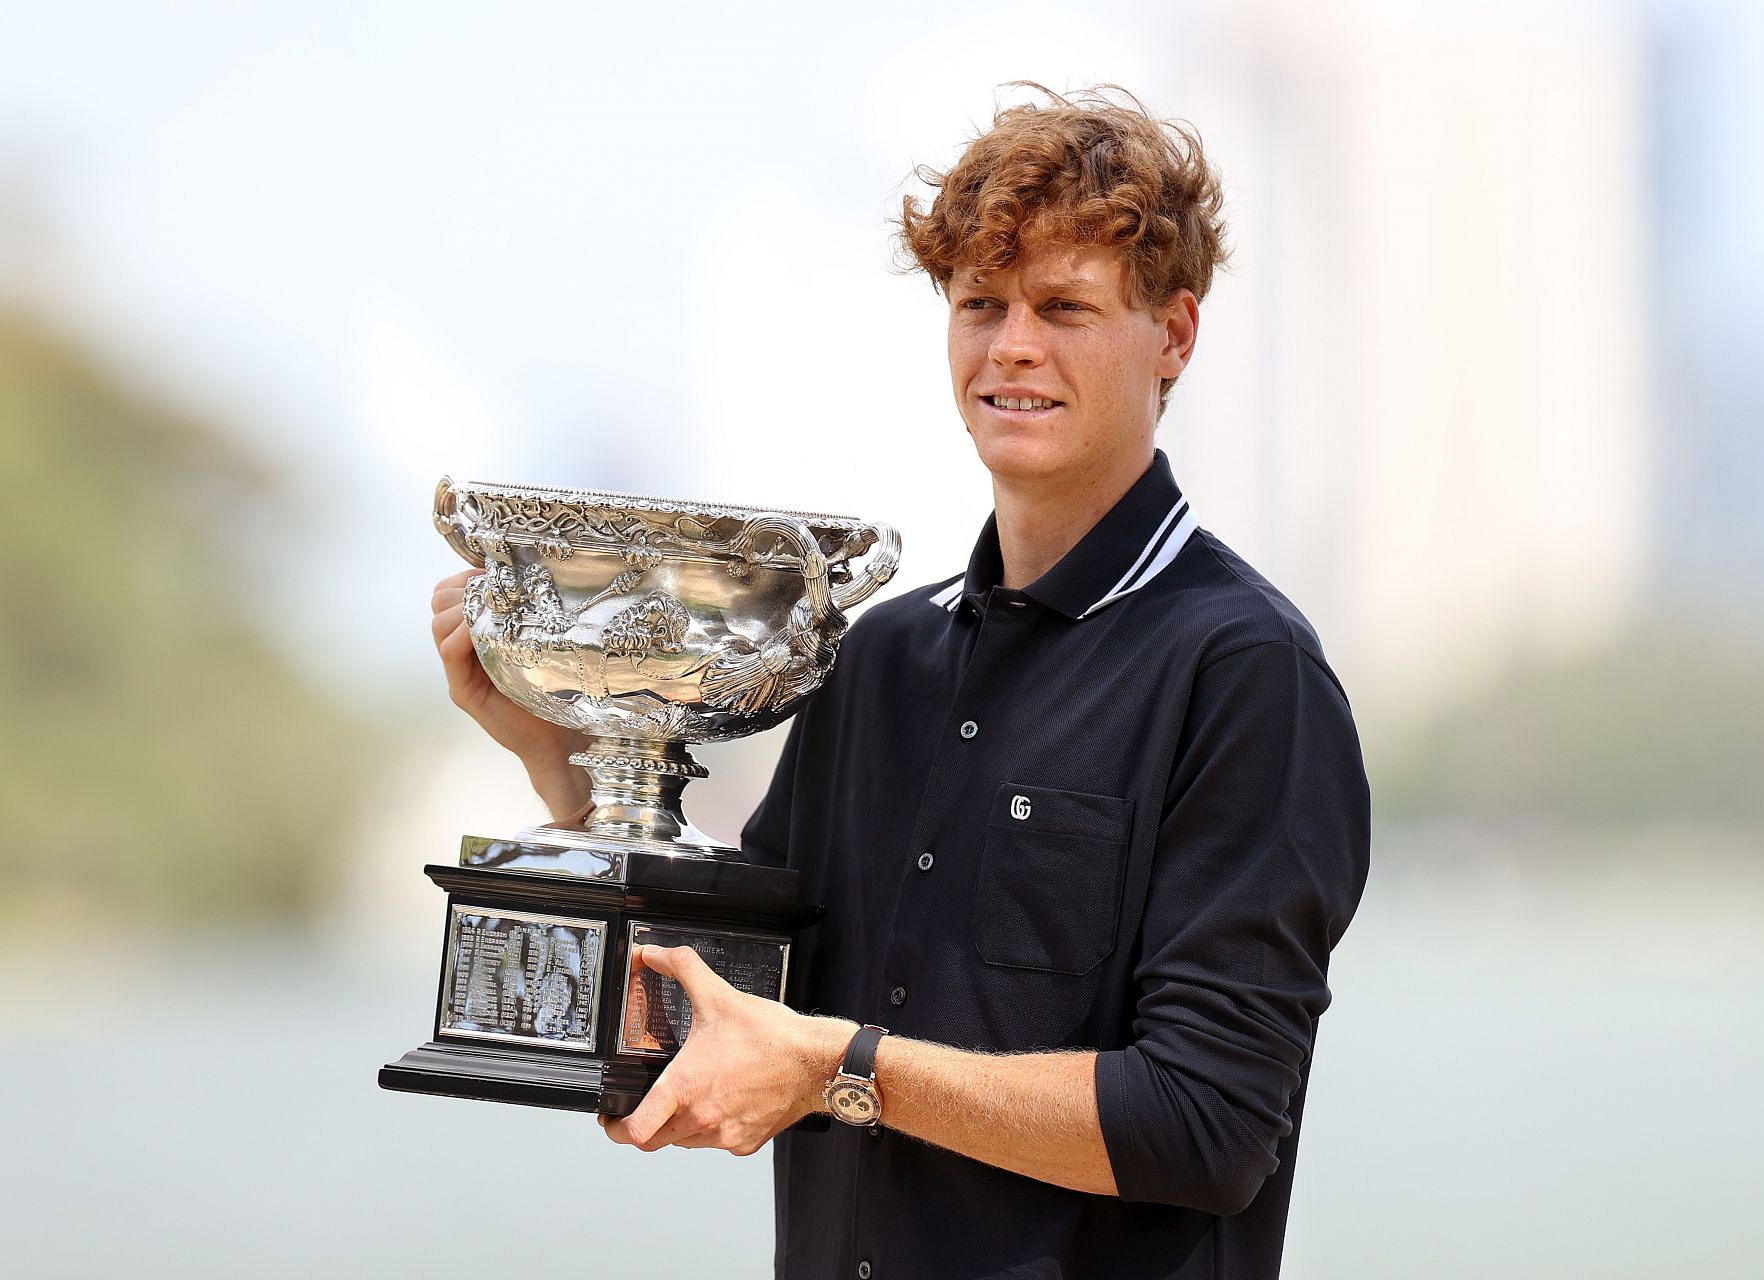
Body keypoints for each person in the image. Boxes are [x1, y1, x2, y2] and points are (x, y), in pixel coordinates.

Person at [429, 84, 1369, 1280]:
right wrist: (556, 747)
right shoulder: (879, 655)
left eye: (1065, 307)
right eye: (981, 303)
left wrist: (837, 1068)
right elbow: (732, 983)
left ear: (1174, 334)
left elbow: (1207, 1121)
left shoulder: (1245, 673)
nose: (1012, 345)